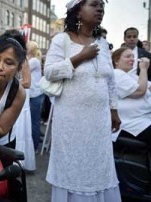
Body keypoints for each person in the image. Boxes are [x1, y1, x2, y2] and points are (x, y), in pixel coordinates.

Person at [44, 1, 121, 201]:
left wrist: (114, 110)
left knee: (98, 164)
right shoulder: (62, 40)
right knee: (73, 165)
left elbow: (110, 80)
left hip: (99, 120)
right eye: (94, 4)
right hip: (71, 120)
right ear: (78, 11)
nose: (100, 9)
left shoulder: (102, 43)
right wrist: (79, 57)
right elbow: (50, 72)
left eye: (101, 6)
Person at [111, 47, 151, 144]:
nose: (132, 59)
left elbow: (148, 86)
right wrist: (144, 69)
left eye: (133, 57)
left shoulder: (130, 75)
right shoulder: (116, 74)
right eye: (128, 56)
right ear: (116, 61)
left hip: (144, 119)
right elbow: (140, 91)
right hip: (133, 124)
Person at [26, 40, 44, 153]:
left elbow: (23, 68)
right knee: (34, 121)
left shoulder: (33, 61)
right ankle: (34, 145)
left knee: (34, 122)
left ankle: (35, 146)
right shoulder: (35, 60)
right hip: (34, 94)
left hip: (35, 95)